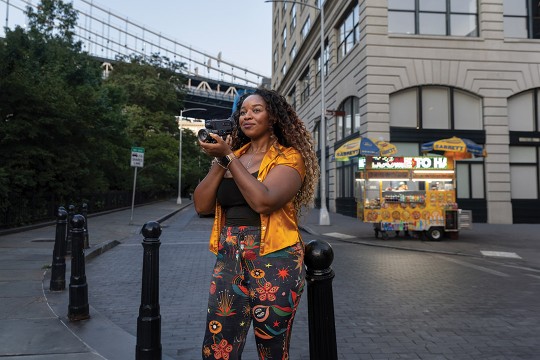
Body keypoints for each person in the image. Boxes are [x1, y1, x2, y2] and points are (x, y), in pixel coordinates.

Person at [194, 88, 319, 360]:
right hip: (229, 256)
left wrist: (230, 158)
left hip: (276, 258)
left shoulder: (289, 157)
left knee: (271, 349)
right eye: (242, 112)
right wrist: (221, 159)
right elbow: (202, 205)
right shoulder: (231, 155)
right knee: (217, 348)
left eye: (256, 110)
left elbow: (264, 201)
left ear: (272, 116)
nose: (246, 116)